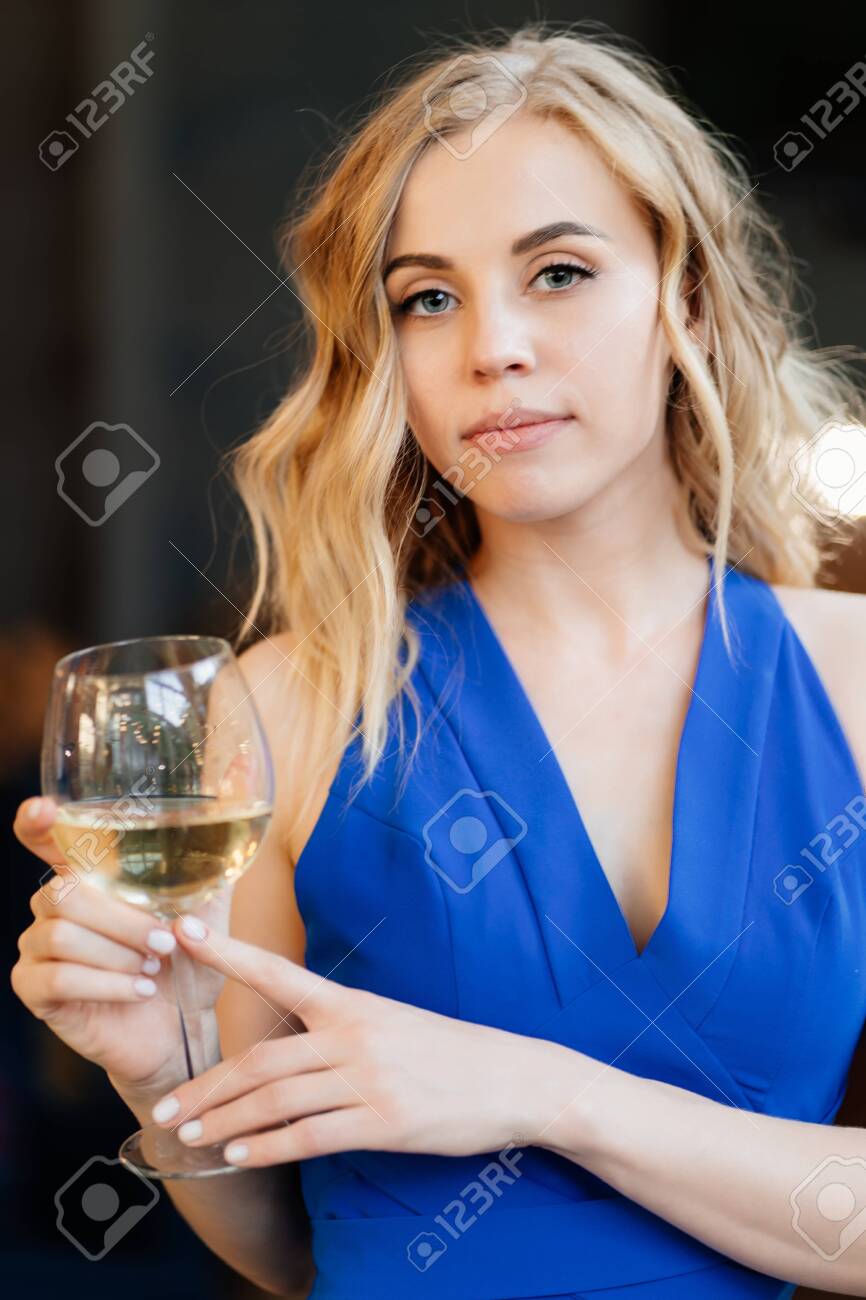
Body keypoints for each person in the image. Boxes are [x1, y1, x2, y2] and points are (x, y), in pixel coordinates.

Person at [12, 21, 866, 1299]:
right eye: (427, 297)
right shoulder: (283, 706)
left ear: (683, 298)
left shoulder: (851, 680)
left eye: (558, 272)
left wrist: (543, 1093)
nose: (491, 347)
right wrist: (157, 1072)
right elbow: (288, 1249)